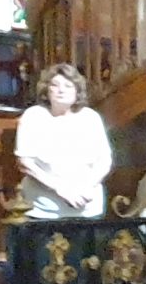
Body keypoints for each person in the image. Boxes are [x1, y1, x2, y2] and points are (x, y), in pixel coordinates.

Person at [15, 63, 113, 219]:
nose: (61, 90)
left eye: (68, 86)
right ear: (46, 90)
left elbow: (104, 161)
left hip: (88, 209)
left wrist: (86, 186)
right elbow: (25, 163)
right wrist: (61, 189)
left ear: (77, 91)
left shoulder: (91, 118)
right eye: (55, 85)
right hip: (44, 210)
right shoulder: (33, 116)